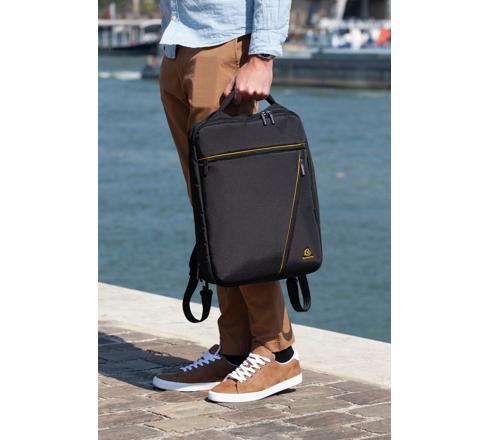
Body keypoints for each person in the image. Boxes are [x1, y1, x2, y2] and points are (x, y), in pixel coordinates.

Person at [152, 0, 301, 403]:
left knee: (233, 210)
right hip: (177, 43)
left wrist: (262, 55)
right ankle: (235, 346)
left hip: (223, 46)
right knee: (210, 213)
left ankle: (277, 350)